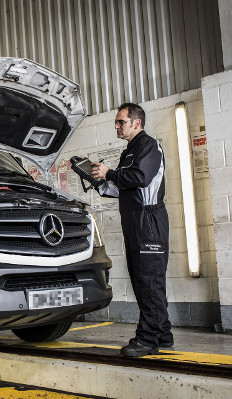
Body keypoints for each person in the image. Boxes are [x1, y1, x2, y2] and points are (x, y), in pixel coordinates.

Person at [91, 103, 173, 357]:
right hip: (134, 221)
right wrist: (99, 181)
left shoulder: (148, 145)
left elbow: (140, 178)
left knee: (149, 280)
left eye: (121, 122)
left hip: (148, 220)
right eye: (116, 122)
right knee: (142, 279)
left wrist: (111, 173)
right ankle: (162, 333)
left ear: (136, 123)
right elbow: (123, 187)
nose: (116, 126)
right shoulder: (129, 151)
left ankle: (148, 339)